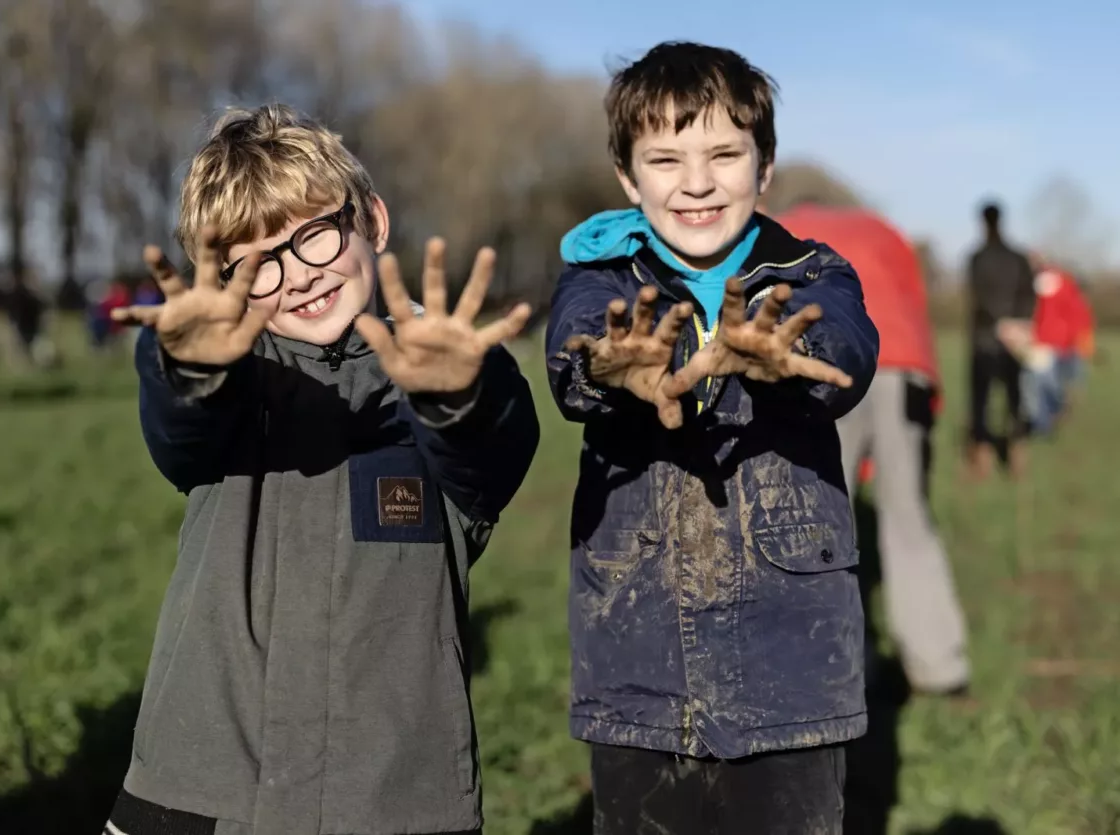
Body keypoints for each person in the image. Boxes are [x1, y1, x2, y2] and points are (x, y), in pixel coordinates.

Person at [103, 104, 540, 835]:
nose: (296, 274)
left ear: (370, 218)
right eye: (257, 262)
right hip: (194, 793)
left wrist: (459, 391)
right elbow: (181, 426)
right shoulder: (231, 381)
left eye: (313, 235)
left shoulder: (437, 376)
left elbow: (489, 448)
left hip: (397, 804)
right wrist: (185, 367)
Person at [545, 42, 879, 834]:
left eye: (725, 154)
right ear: (629, 178)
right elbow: (574, 349)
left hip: (794, 677)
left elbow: (848, 344)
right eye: (664, 159)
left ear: (764, 167)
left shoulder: (812, 274)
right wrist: (607, 366)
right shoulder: (599, 279)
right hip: (639, 675)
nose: (696, 182)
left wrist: (790, 351)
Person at [777, 201, 970, 697]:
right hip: (906, 368)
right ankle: (939, 665)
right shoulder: (887, 231)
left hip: (828, 366)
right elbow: (916, 307)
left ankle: (833, 664)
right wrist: (934, 393)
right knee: (909, 516)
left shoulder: (784, 228)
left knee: (819, 521)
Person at [965, 201, 1036, 479]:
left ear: (983, 221)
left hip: (984, 340)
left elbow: (978, 299)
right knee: (1014, 398)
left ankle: (983, 458)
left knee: (981, 401)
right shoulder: (1018, 258)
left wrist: (1000, 323)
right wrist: (1018, 324)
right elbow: (1029, 296)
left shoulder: (976, 258)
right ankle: (1017, 455)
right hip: (1014, 340)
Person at [1021, 254, 1093, 436]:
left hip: (1047, 342)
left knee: (1040, 384)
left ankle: (1044, 422)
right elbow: (1077, 313)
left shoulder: (1048, 282)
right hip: (1052, 342)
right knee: (1043, 384)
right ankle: (1050, 415)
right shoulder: (1064, 283)